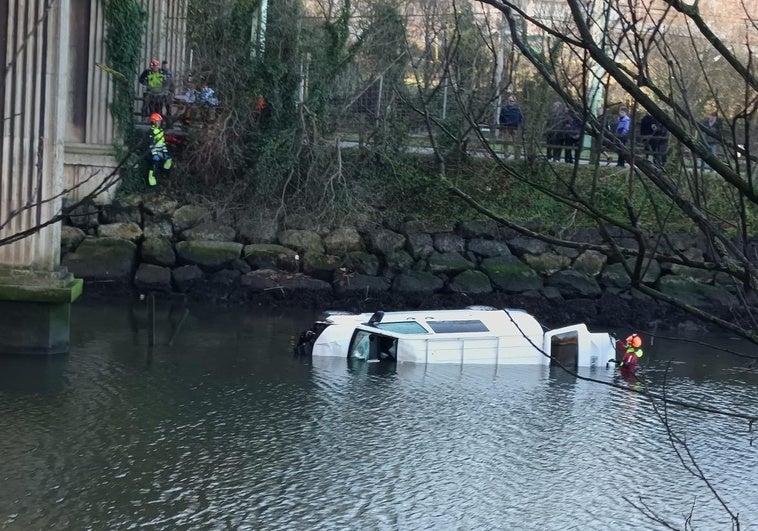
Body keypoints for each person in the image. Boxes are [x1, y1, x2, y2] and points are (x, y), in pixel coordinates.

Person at [147, 113, 173, 187]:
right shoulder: (151, 131)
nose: (159, 123)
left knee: (169, 160)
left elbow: (163, 143)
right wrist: (154, 154)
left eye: (160, 122)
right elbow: (150, 144)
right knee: (154, 165)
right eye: (158, 121)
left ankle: (164, 174)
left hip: (160, 151)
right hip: (153, 152)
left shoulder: (160, 131)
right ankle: (151, 183)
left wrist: (165, 152)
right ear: (153, 122)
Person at [499, 94, 524, 160]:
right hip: (506, 127)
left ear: (515, 101)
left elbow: (521, 118)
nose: (510, 102)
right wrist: (502, 126)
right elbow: (501, 118)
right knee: (506, 141)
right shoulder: (504, 108)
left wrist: (520, 125)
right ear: (507, 101)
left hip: (515, 127)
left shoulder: (517, 109)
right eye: (509, 101)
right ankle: (506, 153)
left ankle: (516, 153)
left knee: (515, 141)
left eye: (512, 101)